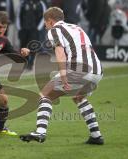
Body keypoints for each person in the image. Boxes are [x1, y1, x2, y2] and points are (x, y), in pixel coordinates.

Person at [20, 7, 104, 145]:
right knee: (78, 97)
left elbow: (60, 53)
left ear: (50, 21)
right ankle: (96, 136)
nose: (46, 27)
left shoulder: (54, 30)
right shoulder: (75, 27)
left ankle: (40, 132)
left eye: (46, 24)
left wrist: (64, 77)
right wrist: (31, 50)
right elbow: (53, 43)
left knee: (45, 95)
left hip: (79, 69)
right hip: (97, 71)